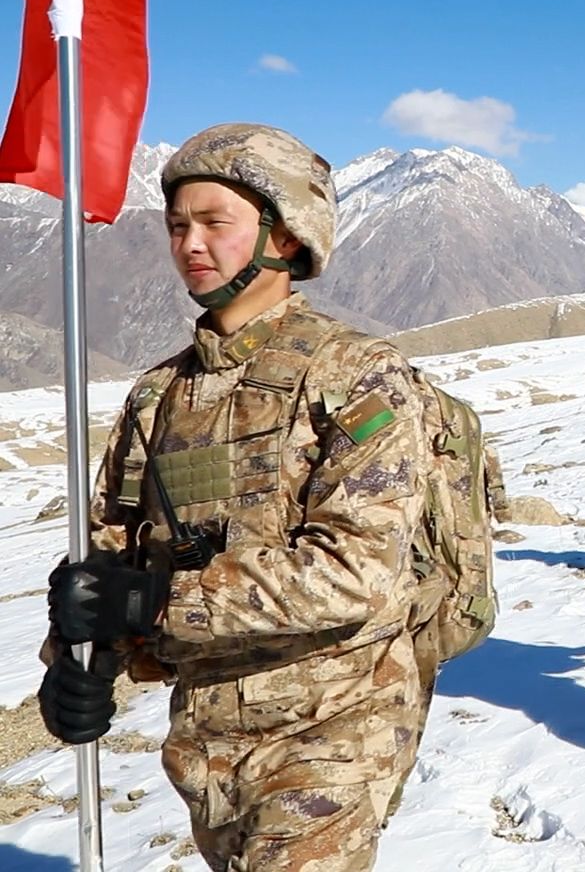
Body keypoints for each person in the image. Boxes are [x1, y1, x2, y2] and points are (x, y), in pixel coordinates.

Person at [40, 123, 435, 871]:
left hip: (333, 729)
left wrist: (155, 604)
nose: (190, 243)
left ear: (284, 238)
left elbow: (355, 572)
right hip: (208, 740)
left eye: (215, 223)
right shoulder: (159, 394)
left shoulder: (358, 376)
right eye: (178, 225)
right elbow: (111, 554)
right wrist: (76, 659)